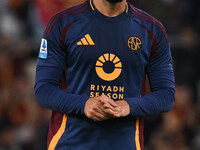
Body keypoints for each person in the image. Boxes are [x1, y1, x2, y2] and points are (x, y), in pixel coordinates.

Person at [34, 0, 175, 149]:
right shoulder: (62, 24)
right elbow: (43, 89)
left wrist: (129, 105)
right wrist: (84, 104)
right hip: (70, 144)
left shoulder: (152, 29)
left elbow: (166, 95)